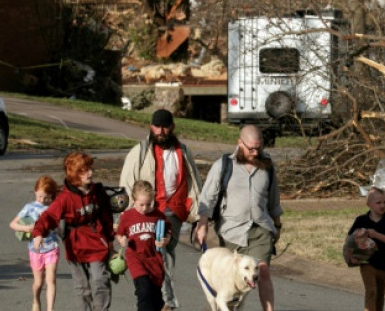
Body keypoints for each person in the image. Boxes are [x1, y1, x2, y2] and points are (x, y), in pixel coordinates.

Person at [119, 108, 201, 310]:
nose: (161, 131)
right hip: (146, 211)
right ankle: (162, 298)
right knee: (154, 254)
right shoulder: (140, 151)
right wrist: (128, 214)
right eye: (157, 126)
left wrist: (198, 214)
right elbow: (127, 184)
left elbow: (194, 182)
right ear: (151, 126)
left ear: (172, 127)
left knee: (164, 251)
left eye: (165, 126)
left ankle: (165, 300)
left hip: (173, 211)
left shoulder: (182, 150)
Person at [195, 125, 283, 311]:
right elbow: (207, 197)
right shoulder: (224, 165)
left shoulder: (267, 165)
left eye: (258, 147)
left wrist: (277, 225)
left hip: (261, 229)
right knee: (230, 281)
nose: (255, 152)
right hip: (231, 232)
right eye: (250, 148)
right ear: (239, 143)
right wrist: (202, 224)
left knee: (263, 272)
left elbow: (273, 198)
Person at [32, 152, 115, 311]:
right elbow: (48, 216)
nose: (90, 173)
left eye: (90, 169)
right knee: (82, 288)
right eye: (84, 170)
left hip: (97, 242)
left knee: (100, 281)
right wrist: (38, 233)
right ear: (75, 174)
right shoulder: (64, 198)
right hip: (75, 245)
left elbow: (106, 216)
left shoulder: (97, 191)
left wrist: (110, 239)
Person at [116, 180, 172, 311]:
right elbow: (120, 233)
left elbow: (168, 231)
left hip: (154, 259)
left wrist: (166, 240)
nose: (145, 208)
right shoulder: (128, 216)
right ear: (134, 200)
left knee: (155, 298)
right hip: (136, 258)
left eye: (148, 204)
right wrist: (122, 240)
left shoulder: (158, 215)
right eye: (141, 204)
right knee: (144, 289)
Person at [10, 175, 61, 311]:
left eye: (46, 197)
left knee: (51, 280)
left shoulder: (54, 207)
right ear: (35, 192)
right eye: (39, 196)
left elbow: (59, 227)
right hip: (35, 249)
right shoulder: (29, 207)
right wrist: (25, 228)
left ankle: (50, 309)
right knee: (38, 282)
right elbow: (13, 224)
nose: (42, 200)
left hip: (52, 247)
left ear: (52, 195)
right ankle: (36, 301)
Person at [343, 188, 385, 311]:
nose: (382, 205)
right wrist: (352, 256)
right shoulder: (361, 220)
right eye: (378, 203)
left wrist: (376, 235)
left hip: (384, 263)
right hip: (367, 262)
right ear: (369, 204)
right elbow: (349, 239)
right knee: (371, 291)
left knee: (380, 294)